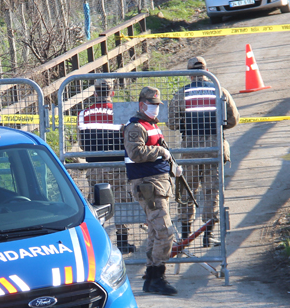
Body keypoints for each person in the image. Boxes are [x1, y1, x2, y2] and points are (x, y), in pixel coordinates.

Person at [168, 56, 239, 247]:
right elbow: (233, 119)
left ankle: (186, 235)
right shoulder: (219, 90)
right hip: (214, 148)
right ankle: (208, 235)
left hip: (191, 150)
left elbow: (172, 123)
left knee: (187, 190)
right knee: (211, 191)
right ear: (206, 69)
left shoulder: (182, 94)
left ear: (189, 73)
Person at [123, 86, 178, 295]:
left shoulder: (151, 125)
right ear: (141, 104)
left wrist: (172, 164)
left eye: (157, 104)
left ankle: (151, 277)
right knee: (165, 232)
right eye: (151, 104)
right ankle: (157, 277)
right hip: (148, 185)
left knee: (156, 232)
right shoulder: (136, 126)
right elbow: (136, 152)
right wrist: (161, 151)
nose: (155, 108)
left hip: (157, 184)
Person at [77, 80, 136, 254]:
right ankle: (123, 241)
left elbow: (81, 144)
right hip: (118, 165)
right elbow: (128, 138)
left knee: (97, 205)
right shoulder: (122, 111)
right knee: (122, 201)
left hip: (95, 166)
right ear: (112, 93)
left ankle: (97, 244)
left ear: (95, 93)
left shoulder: (83, 114)